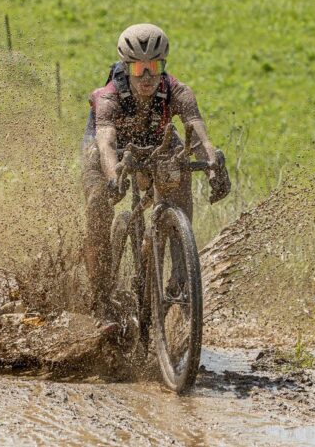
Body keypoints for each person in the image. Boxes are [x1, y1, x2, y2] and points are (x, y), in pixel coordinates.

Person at [81, 23, 230, 318]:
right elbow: (106, 143)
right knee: (98, 202)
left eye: (154, 66)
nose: (147, 76)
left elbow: (198, 134)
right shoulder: (108, 97)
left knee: (181, 169)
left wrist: (213, 167)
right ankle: (99, 298)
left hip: (155, 138)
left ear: (163, 65)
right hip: (109, 145)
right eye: (138, 69)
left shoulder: (177, 91)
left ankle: (179, 270)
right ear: (127, 67)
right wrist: (113, 178)